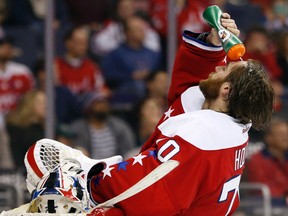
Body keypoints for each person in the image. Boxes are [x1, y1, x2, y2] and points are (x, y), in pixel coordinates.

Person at [25, 11, 275, 215]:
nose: (219, 65)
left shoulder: (199, 139)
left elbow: (149, 191)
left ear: (226, 90)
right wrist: (212, 44)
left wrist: (87, 184)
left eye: (225, 68)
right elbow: (190, 89)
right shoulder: (226, 120)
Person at [69, 92, 136, 159]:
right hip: (90, 166)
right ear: (89, 106)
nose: (103, 105)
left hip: (115, 166)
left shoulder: (120, 127)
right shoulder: (77, 128)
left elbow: (128, 150)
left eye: (105, 102)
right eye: (98, 102)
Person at [54, 26, 108, 96]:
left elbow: (103, 90)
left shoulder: (92, 67)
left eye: (85, 43)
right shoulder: (56, 66)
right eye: (79, 42)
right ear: (68, 43)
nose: (82, 46)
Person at [245, 117, 288, 206]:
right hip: (267, 206)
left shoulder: (285, 158)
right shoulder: (257, 161)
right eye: (281, 134)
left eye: (287, 134)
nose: (286, 138)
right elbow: (262, 191)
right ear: (269, 138)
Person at [6, 89, 46, 170]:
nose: (45, 106)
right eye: (40, 103)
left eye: (46, 103)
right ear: (29, 105)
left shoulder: (47, 128)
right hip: (21, 173)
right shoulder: (14, 128)